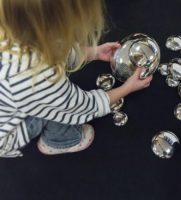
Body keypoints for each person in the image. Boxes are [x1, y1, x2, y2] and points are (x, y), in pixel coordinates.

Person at [0, 0, 152, 157]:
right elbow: (80, 106)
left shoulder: (14, 31)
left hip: (9, 99)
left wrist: (94, 53)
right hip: (7, 133)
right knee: (57, 110)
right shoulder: (36, 78)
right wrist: (127, 88)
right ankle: (58, 140)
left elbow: (52, 47)